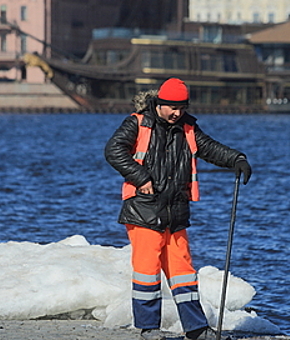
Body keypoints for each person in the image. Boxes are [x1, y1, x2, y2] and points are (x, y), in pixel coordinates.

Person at [104, 77, 252, 340]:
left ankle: (195, 329)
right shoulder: (137, 122)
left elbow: (210, 149)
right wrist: (141, 178)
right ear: (160, 103)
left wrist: (237, 159)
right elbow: (114, 150)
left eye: (182, 108)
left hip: (176, 210)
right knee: (147, 271)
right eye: (172, 108)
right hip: (143, 209)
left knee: (183, 272)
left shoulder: (188, 128)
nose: (177, 113)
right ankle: (149, 329)